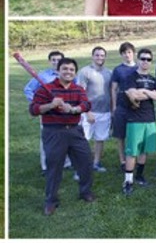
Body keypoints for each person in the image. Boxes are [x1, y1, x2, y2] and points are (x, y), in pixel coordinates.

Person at [30, 58, 95, 216]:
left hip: (75, 131)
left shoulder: (78, 89)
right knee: (54, 167)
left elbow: (86, 105)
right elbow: (33, 109)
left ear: (75, 72)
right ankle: (51, 200)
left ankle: (85, 192)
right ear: (58, 71)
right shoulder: (46, 89)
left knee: (86, 162)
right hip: (54, 132)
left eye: (72, 69)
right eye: (65, 69)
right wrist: (51, 105)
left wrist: (72, 109)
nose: (68, 72)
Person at [120, 48, 156, 195]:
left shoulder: (153, 79)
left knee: (145, 150)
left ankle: (139, 175)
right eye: (143, 58)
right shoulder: (131, 77)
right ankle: (128, 181)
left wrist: (144, 92)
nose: (145, 61)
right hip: (135, 119)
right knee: (132, 151)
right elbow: (133, 95)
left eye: (148, 59)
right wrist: (151, 94)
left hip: (150, 119)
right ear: (138, 60)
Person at [24, 51, 65, 173]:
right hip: (48, 111)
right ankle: (46, 166)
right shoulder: (43, 76)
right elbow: (28, 89)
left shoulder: (68, 74)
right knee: (48, 138)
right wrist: (39, 103)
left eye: (59, 60)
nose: (56, 62)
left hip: (64, 111)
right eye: (53, 60)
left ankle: (65, 163)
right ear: (50, 61)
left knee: (64, 137)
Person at [79, 47, 113, 172]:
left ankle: (96, 163)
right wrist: (87, 112)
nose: (100, 58)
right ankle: (83, 166)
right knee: (84, 140)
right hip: (89, 112)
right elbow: (81, 93)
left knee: (100, 139)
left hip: (105, 112)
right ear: (92, 56)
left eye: (102, 55)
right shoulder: (85, 72)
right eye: (97, 55)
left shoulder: (109, 73)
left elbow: (111, 91)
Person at [108, 42, 137, 171]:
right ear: (121, 55)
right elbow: (113, 89)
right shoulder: (118, 70)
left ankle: (133, 158)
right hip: (121, 106)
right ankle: (122, 160)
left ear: (134, 53)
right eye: (124, 53)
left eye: (129, 52)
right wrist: (114, 107)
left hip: (136, 107)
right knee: (120, 135)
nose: (127, 55)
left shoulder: (139, 67)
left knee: (134, 134)